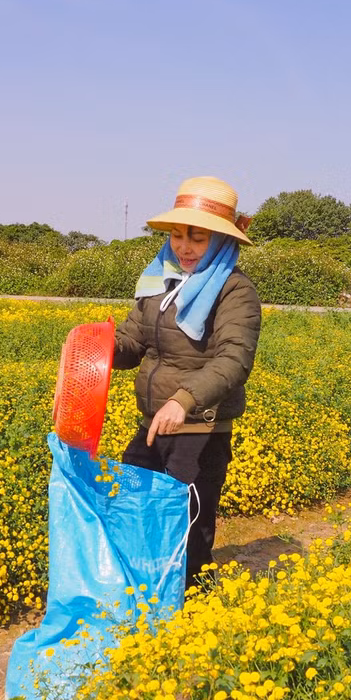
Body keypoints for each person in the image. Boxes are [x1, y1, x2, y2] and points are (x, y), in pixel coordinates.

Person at [113, 175, 262, 592]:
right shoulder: (159, 283)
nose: (184, 247)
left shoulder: (235, 290)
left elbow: (234, 359)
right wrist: (100, 348)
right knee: (135, 509)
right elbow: (133, 342)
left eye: (197, 238)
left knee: (190, 526)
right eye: (177, 235)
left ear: (220, 240)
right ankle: (146, 595)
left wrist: (184, 400)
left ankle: (195, 604)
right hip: (153, 424)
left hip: (200, 428)